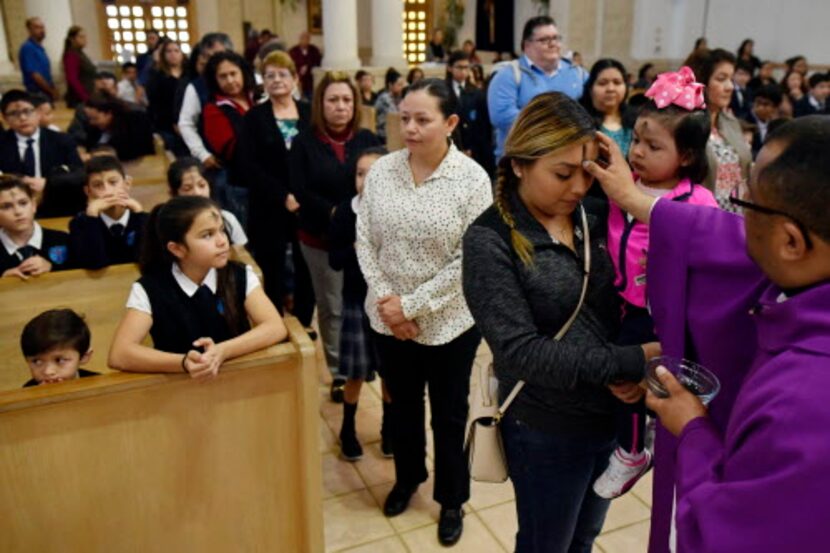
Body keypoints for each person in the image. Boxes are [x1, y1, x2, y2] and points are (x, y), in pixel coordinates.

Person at [582, 115, 830, 553]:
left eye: (748, 203)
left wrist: (693, 428)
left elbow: (731, 535)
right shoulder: (810, 267)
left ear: (791, 242)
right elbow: (725, 240)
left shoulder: (806, 403)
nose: (738, 214)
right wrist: (636, 200)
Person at [462, 92, 658, 553]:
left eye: (587, 171)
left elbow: (627, 297)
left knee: (585, 537)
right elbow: (521, 352)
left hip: (610, 416)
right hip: (545, 427)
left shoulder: (596, 214)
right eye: (562, 173)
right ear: (518, 165)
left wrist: (620, 178)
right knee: (546, 542)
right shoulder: (490, 240)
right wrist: (629, 362)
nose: (576, 188)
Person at [357, 78, 492, 546]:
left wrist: (412, 305)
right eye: (405, 118)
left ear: (450, 123)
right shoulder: (384, 170)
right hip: (388, 317)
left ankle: (451, 497)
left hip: (451, 320)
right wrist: (390, 305)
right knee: (403, 405)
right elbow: (365, 241)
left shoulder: (472, 180)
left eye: (422, 119)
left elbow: (469, 261)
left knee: (449, 415)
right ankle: (408, 477)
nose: (409, 128)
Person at [592, 67, 718, 500]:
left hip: (664, 315)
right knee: (620, 381)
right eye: (637, 141)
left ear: (685, 157)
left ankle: (634, 452)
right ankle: (631, 449)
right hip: (622, 303)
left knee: (640, 378)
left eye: (654, 145)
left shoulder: (695, 202)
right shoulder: (624, 185)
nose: (639, 153)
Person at [108, 196, 287, 376]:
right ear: (177, 249)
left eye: (222, 230)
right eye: (207, 235)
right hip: (179, 392)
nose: (222, 241)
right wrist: (183, 362)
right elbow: (119, 354)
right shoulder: (150, 288)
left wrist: (222, 351)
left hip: (240, 382)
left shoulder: (239, 275)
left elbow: (275, 327)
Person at [291, 71, 381, 401]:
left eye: (346, 99)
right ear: (320, 103)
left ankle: (367, 360)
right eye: (333, 100)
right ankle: (339, 371)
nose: (340, 106)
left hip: (366, 237)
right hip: (319, 235)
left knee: (362, 302)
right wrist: (335, 214)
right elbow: (299, 188)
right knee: (331, 305)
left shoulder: (366, 138)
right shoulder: (305, 141)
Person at [239, 51, 315, 330]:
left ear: (295, 78)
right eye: (269, 75)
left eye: (282, 74)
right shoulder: (254, 117)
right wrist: (283, 196)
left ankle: (305, 320)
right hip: (268, 203)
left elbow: (315, 157)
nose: (276, 80)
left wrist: (302, 196)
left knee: (305, 263)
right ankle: (274, 324)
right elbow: (249, 165)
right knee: (270, 265)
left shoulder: (308, 112)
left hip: (305, 203)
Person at [329, 146, 392, 461]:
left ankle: (389, 428)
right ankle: (348, 428)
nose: (366, 180)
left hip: (387, 303)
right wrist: (357, 246)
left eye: (374, 173)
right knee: (355, 372)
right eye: (360, 173)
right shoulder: (344, 211)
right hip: (356, 300)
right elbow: (335, 260)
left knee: (390, 373)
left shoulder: (398, 209)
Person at [487, 15, 586, 159]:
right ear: (527, 45)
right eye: (544, 40)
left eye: (556, 38)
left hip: (568, 161)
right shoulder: (508, 75)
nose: (553, 44)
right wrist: (559, 127)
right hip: (521, 162)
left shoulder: (577, 73)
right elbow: (502, 117)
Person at [0, 90, 86, 218]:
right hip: (13, 209)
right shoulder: (2, 143)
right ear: (5, 118)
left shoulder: (61, 140)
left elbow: (80, 174)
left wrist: (48, 182)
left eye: (27, 111)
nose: (22, 118)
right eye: (14, 113)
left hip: (56, 204)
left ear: (38, 113)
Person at [685, 48, 751, 210]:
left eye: (731, 79)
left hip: (736, 215)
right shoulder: (687, 123)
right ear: (702, 83)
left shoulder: (731, 122)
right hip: (702, 214)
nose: (730, 87)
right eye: (721, 79)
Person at [202, 51, 256, 224]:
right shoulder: (214, 109)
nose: (230, 80)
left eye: (233, 73)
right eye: (223, 76)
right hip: (240, 182)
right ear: (215, 80)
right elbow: (230, 150)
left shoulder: (257, 97)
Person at [69, 156, 147, 269]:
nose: (108, 192)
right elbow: (94, 263)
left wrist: (139, 213)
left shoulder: (146, 219)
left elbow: (144, 260)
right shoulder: (80, 224)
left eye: (113, 182)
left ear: (127, 184)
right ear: (88, 191)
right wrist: (92, 215)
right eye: (97, 185)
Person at [178, 33, 233, 172]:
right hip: (217, 161)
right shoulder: (196, 86)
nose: (213, 62)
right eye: (208, 57)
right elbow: (186, 123)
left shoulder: (245, 80)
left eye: (218, 55)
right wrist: (202, 154)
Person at [166, 157, 247, 249]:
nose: (197, 193)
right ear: (174, 193)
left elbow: (241, 253)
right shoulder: (170, 225)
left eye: (202, 185)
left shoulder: (227, 219)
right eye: (187, 189)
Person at [0, 177, 72, 279]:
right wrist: (3, 280)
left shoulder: (62, 240)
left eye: (23, 203)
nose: (18, 212)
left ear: (33, 205)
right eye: (7, 206)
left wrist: (53, 268)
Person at [20, 309, 97, 387]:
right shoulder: (27, 392)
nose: (48, 372)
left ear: (84, 357)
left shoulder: (98, 384)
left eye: (60, 360)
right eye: (37, 362)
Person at [579, 59, 634, 157]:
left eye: (617, 82)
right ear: (591, 88)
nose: (610, 89)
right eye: (602, 83)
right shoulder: (579, 120)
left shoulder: (634, 119)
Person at [82, 93, 155, 162]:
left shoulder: (134, 123)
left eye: (95, 118)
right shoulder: (94, 129)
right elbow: (89, 148)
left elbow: (132, 150)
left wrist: (101, 155)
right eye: (89, 118)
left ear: (109, 114)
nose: (91, 122)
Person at [146, 39, 187, 156]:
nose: (173, 54)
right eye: (168, 51)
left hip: (187, 121)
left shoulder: (189, 74)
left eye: (176, 51)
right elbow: (155, 102)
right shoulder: (157, 76)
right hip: (166, 125)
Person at [18, 17, 58, 99]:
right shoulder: (28, 48)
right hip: (36, 93)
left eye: (42, 27)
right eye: (37, 27)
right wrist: (51, 90)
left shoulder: (40, 49)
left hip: (45, 93)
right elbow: (35, 74)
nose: (41, 30)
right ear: (29, 30)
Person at [743, 84, 783, 157]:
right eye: (758, 102)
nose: (760, 107)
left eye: (765, 104)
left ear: (775, 108)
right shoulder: (744, 122)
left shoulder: (776, 126)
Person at [62, 26, 96, 108]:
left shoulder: (80, 53)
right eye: (81, 37)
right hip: (79, 100)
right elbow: (73, 80)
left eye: (85, 36)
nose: (84, 39)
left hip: (87, 96)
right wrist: (85, 98)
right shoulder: (71, 55)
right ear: (72, 39)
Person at [288, 31, 322, 99]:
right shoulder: (293, 51)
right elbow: (289, 65)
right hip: (298, 80)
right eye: (302, 38)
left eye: (307, 39)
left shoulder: (314, 50)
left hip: (310, 81)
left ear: (309, 40)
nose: (304, 41)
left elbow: (318, 62)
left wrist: (308, 66)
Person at [374, 68, 405, 141]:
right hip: (383, 135)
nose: (402, 88)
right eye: (399, 85)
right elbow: (395, 116)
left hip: (395, 132)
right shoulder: (384, 98)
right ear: (390, 85)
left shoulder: (399, 98)